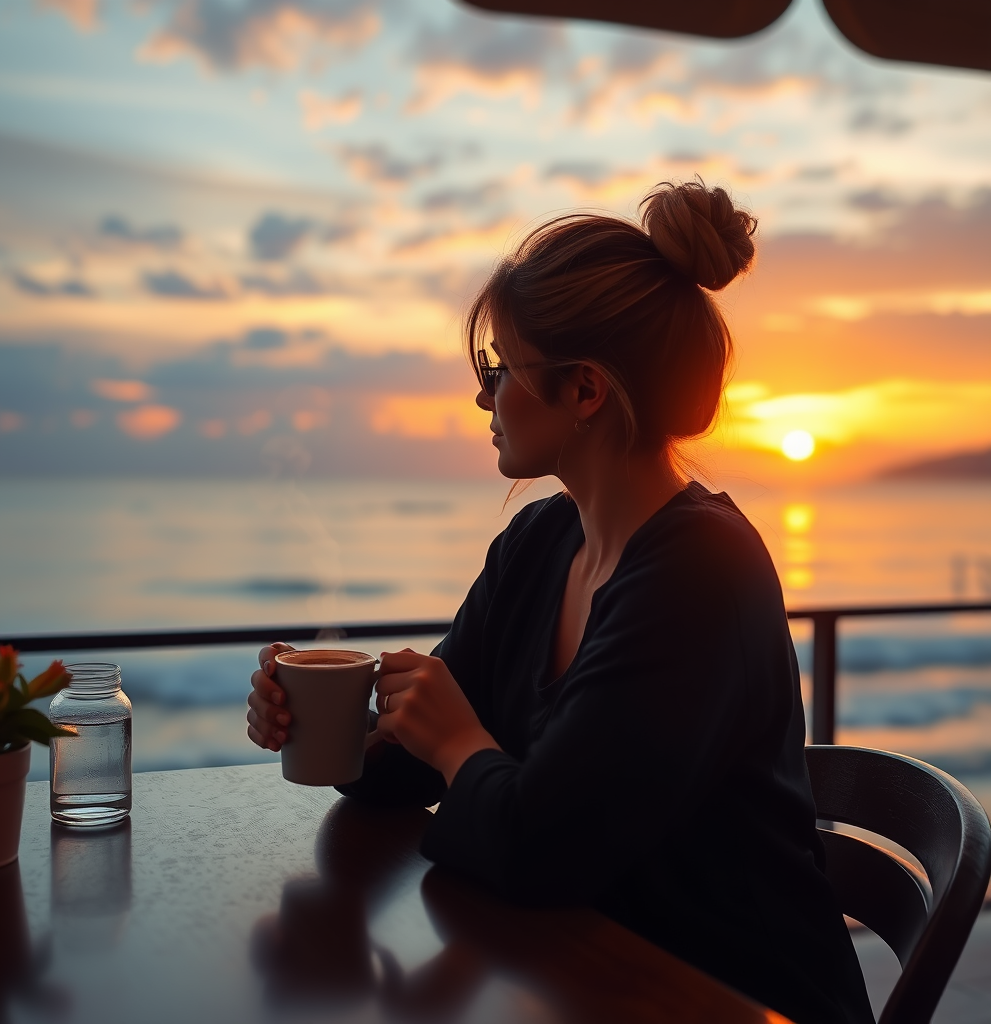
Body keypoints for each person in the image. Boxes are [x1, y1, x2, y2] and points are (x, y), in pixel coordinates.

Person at [247, 180, 875, 1024]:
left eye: (501, 368)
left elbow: (542, 851)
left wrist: (460, 739)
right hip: (580, 977)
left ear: (585, 391)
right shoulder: (540, 545)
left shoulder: (698, 575)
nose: (483, 396)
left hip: (725, 994)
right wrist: (339, 726)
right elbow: (422, 774)